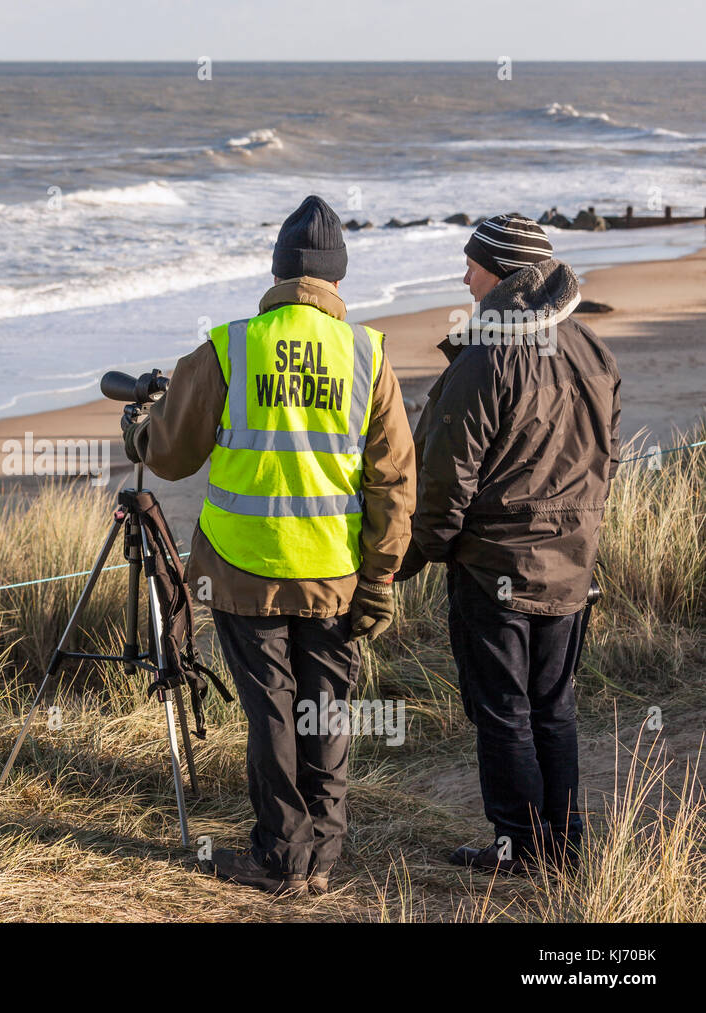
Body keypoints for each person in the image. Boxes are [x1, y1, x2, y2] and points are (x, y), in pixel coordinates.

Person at [122, 195, 416, 895]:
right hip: (336, 575)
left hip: (244, 570)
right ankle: (321, 855)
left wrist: (138, 426)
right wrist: (379, 578)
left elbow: (167, 452)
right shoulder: (368, 354)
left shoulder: (232, 344)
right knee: (326, 708)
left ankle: (278, 855)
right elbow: (396, 481)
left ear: (279, 271)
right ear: (336, 280)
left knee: (273, 712)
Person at [395, 213, 621, 873]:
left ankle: (520, 847)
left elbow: (446, 480)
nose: (464, 276)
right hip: (571, 564)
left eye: (473, 264)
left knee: (504, 708)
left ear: (502, 273)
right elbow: (604, 459)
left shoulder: (486, 354)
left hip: (496, 564)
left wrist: (412, 556)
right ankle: (565, 840)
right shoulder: (591, 348)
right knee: (553, 704)